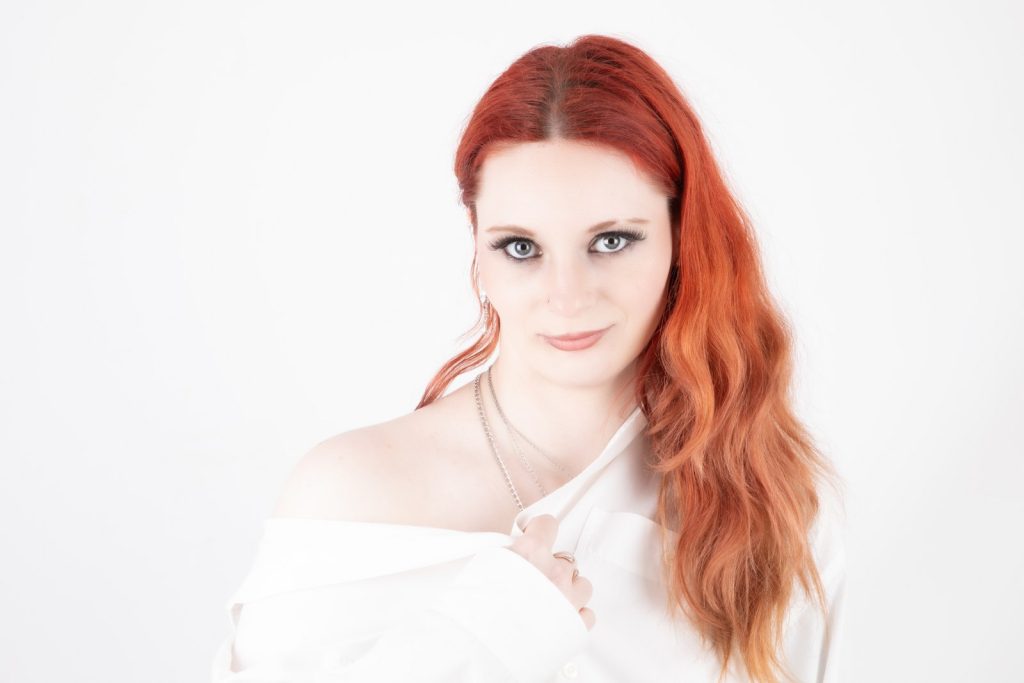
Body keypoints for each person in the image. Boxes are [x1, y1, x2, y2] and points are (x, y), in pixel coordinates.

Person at [211, 33, 847, 683]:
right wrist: (484, 641)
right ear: (478, 245)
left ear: (682, 236)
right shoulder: (351, 492)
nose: (567, 297)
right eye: (521, 247)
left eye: (612, 240)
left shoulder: (770, 495)